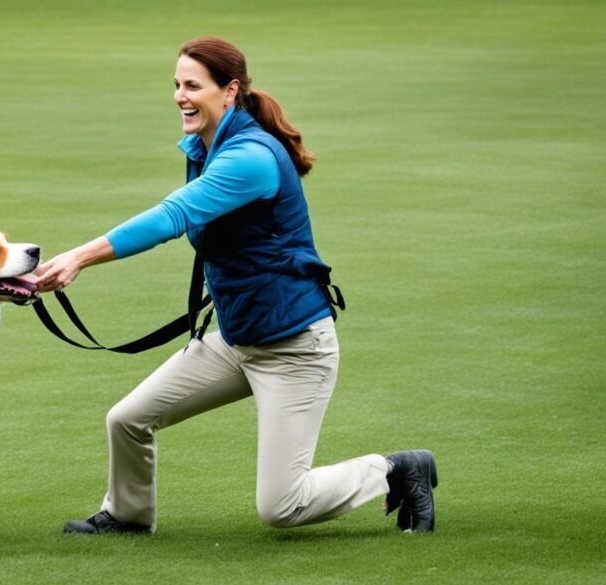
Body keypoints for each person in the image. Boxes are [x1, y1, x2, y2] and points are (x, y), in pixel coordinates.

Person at [33, 36, 437, 535]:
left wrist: (78, 257)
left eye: (193, 86)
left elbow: (175, 214)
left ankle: (396, 469)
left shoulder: (250, 157)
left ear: (230, 91)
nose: (181, 96)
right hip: (236, 339)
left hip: (294, 350)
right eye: (177, 85)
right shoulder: (205, 146)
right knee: (127, 419)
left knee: (281, 506)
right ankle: (128, 515)